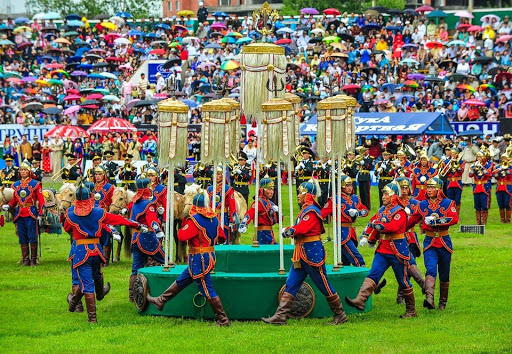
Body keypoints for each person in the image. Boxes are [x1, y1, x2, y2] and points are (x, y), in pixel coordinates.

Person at [262, 180, 348, 325]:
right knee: (291, 283)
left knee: (323, 284)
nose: (298, 195)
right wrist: (291, 229)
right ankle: (280, 315)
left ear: (308, 195)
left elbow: (303, 228)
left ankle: (340, 314)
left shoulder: (312, 211)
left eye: (300, 193)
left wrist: (290, 231)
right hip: (301, 254)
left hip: (312, 253)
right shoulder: (306, 210)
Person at [146, 190, 230, 327]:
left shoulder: (194, 219)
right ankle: (161, 301)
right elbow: (222, 237)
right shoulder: (214, 218)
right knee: (183, 279)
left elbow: (181, 236)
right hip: (208, 256)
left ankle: (223, 320)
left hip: (199, 258)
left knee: (207, 289)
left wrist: (185, 221)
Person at [64, 183, 143, 323]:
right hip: (96, 250)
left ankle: (92, 318)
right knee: (96, 275)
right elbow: (118, 219)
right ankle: (77, 302)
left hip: (81, 251)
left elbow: (66, 228)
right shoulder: (99, 212)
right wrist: (135, 224)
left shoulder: (71, 214)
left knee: (87, 284)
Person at [348, 182, 417, 318]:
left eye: (386, 193)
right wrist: (369, 236)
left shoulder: (400, 211)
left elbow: (392, 227)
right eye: (383, 193)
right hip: (383, 249)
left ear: (393, 195)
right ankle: (361, 300)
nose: (383, 196)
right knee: (373, 274)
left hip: (397, 250)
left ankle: (411, 310)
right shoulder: (381, 210)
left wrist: (378, 225)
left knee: (403, 281)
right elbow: (373, 222)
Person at [408, 178, 459, 311]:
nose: (429, 190)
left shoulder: (448, 203)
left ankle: (442, 303)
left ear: (439, 189)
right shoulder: (422, 204)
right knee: (430, 269)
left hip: (444, 241)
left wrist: (438, 222)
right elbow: (412, 220)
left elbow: (454, 219)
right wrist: (398, 228)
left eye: (432, 187)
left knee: (444, 273)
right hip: (429, 242)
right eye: (428, 187)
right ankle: (429, 299)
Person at [127, 177, 166, 302]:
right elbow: (151, 220)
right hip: (147, 238)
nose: (151, 187)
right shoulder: (148, 204)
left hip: (135, 238)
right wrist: (158, 230)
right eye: (150, 185)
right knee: (166, 261)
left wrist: (158, 213)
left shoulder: (135, 202)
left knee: (136, 267)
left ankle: (132, 295)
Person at [3, 159, 45, 266]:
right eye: (21, 170)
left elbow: (41, 200)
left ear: (29, 171)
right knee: (22, 236)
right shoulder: (16, 185)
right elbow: (14, 199)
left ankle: (33, 260)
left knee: (32, 236)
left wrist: (40, 213)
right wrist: (9, 205)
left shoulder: (35, 183)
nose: (22, 172)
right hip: (19, 213)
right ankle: (25, 260)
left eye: (25, 170)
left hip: (31, 212)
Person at [321, 175, 369, 267]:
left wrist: (357, 213)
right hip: (342, 233)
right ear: (341, 186)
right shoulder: (334, 199)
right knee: (358, 259)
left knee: (345, 262)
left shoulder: (355, 198)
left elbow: (366, 211)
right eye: (347, 185)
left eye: (351, 185)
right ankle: (366, 280)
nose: (350, 188)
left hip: (352, 232)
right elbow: (322, 213)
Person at [395, 176, 425, 304]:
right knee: (404, 267)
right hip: (398, 238)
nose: (404, 190)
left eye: (406, 187)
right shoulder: (393, 203)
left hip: (411, 237)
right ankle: (420, 286)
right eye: (401, 188)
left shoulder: (414, 203)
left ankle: (401, 295)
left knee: (408, 267)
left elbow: (422, 215)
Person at [239, 177, 278, 244]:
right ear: (262, 189)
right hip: (262, 235)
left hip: (270, 234)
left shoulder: (271, 203)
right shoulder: (258, 203)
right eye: (269, 189)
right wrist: (243, 224)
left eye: (272, 190)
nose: (271, 192)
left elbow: (279, 220)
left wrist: (278, 212)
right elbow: (250, 213)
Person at [207, 167, 238, 244]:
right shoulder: (209, 189)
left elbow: (232, 206)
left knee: (224, 237)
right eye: (215, 174)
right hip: (211, 216)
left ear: (223, 176)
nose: (216, 176)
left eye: (218, 174)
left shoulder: (228, 189)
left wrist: (232, 220)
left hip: (223, 216)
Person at [92, 165, 116, 265]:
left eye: (100, 174)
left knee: (106, 236)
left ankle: (105, 259)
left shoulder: (110, 187)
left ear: (104, 175)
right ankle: (96, 257)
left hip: (104, 215)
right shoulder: (91, 186)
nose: (97, 176)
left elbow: (113, 202)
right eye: (96, 174)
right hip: (92, 215)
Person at [469, 151, 492, 225]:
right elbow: (470, 175)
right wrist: (474, 169)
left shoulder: (488, 166)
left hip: (484, 187)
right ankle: (478, 222)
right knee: (477, 206)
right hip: (476, 187)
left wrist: (481, 168)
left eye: (480, 157)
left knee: (484, 205)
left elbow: (488, 175)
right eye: (478, 157)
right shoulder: (473, 165)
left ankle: (484, 222)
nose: (479, 158)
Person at [444, 148, 465, 215]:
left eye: (454, 154)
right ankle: (451, 214)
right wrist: (449, 167)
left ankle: (456, 214)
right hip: (449, 183)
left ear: (457, 154)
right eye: (452, 154)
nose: (453, 155)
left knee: (457, 200)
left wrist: (457, 166)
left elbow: (461, 171)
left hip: (457, 183)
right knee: (450, 200)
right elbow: (444, 173)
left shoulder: (461, 162)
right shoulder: (446, 162)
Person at [493, 153, 512, 223]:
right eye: (502, 159)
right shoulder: (498, 167)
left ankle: (508, 219)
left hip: (508, 188)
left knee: (508, 204)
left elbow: (510, 177)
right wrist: (498, 173)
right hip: (499, 188)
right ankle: (502, 219)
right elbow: (495, 176)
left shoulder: (510, 167)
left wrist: (507, 170)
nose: (503, 160)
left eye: (505, 159)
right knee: (500, 204)